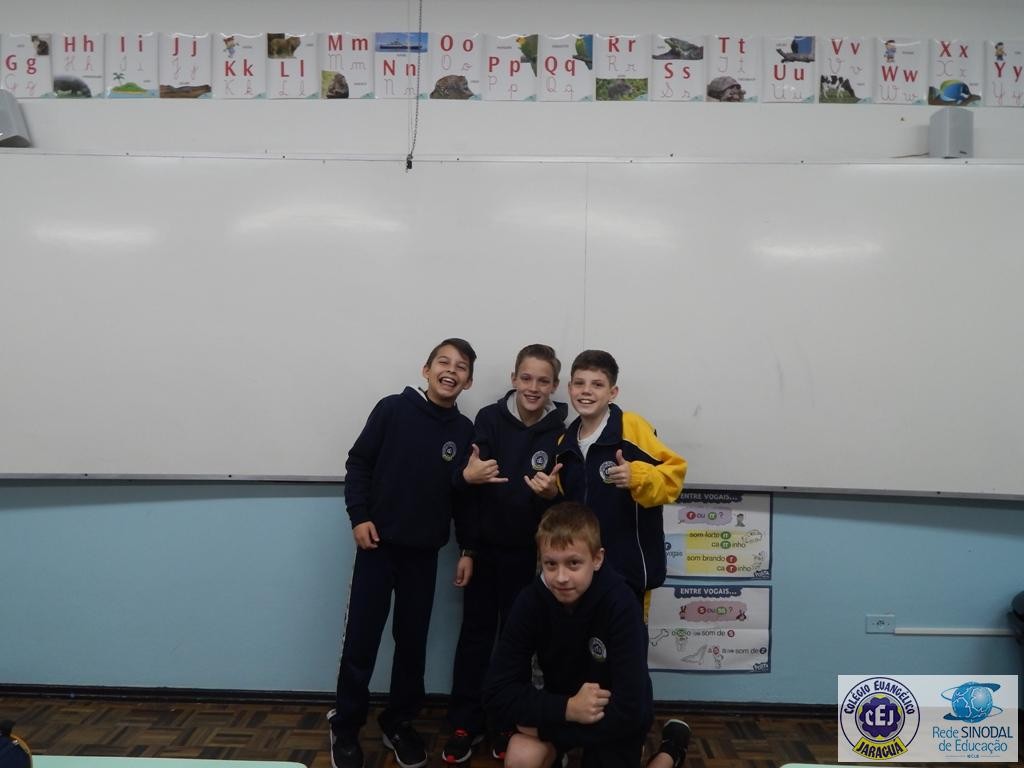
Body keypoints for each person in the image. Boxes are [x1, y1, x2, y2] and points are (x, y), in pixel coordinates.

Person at [328, 338, 478, 768]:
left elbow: (463, 497)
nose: (451, 371)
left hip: (423, 554)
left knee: (412, 644)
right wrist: (359, 516)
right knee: (362, 641)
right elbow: (359, 463)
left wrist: (468, 547)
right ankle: (346, 725)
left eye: (461, 367)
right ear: (426, 369)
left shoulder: (464, 430)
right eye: (443, 362)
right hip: (377, 547)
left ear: (469, 381)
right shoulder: (392, 409)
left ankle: (398, 721)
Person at [482, 502, 691, 768]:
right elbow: (495, 693)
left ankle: (670, 749)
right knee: (521, 757)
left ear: (597, 559)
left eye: (573, 563)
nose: (561, 577)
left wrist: (550, 729)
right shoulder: (530, 601)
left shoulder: (622, 603)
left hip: (613, 718)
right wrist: (567, 708)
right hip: (563, 705)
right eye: (550, 564)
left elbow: (632, 710)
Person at [443, 344, 568, 765]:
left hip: (530, 560)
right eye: (526, 378)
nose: (533, 387)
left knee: (517, 644)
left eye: (543, 380)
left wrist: (552, 496)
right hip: (484, 553)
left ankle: (504, 721)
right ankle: (465, 722)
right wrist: (468, 548)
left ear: (554, 386)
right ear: (514, 379)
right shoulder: (488, 419)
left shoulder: (562, 430)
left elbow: (565, 501)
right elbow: (469, 492)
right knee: (475, 636)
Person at [556, 350, 687, 600]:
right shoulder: (564, 443)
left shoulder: (632, 427)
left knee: (625, 626)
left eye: (597, 385)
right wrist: (551, 491)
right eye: (580, 383)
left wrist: (637, 476)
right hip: (580, 574)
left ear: (612, 392)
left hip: (628, 574)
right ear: (570, 388)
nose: (586, 391)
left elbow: (673, 478)